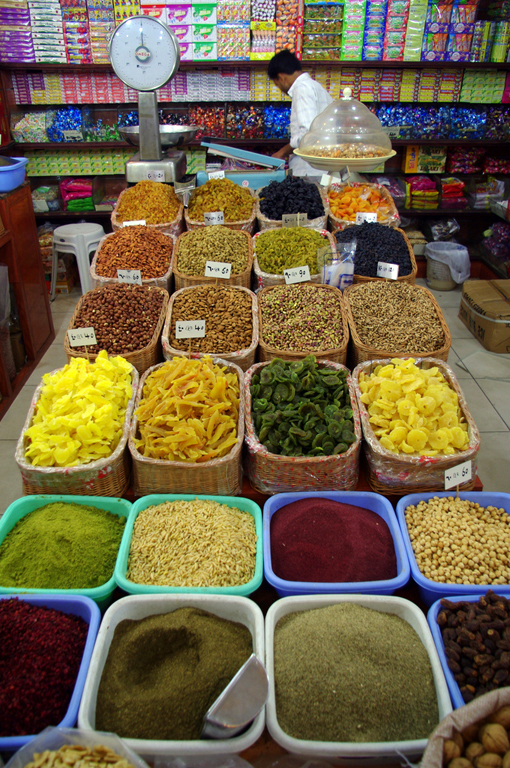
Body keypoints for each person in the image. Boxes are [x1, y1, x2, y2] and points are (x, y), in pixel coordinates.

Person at [268, 49, 334, 177]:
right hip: (323, 166)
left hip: (310, 170)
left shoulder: (301, 89)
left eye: (277, 84)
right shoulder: (316, 87)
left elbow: (307, 134)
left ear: (281, 77)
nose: (280, 89)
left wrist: (282, 152)